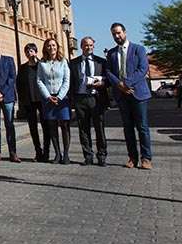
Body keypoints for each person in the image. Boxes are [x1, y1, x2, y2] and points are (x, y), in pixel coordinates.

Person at [105, 23, 153, 170]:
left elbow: (143, 69)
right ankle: (132, 158)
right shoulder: (112, 53)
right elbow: (108, 72)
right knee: (128, 128)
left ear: (125, 32)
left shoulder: (138, 49)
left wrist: (126, 83)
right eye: (114, 34)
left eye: (119, 33)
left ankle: (146, 158)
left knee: (142, 127)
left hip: (138, 94)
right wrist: (119, 85)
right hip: (122, 96)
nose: (117, 36)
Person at [70, 36, 109, 166]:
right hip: (81, 99)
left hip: (96, 98)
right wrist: (72, 102)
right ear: (81, 47)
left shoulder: (101, 62)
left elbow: (109, 80)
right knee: (83, 129)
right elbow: (71, 83)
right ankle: (88, 155)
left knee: (99, 129)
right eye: (86, 45)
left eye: (91, 45)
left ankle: (102, 155)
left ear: (94, 46)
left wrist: (102, 82)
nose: (89, 47)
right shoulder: (73, 63)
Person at [37, 37, 71, 164]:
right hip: (48, 98)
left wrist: (60, 96)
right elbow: (39, 80)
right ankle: (57, 154)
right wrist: (48, 96)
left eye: (54, 45)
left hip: (62, 98)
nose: (51, 48)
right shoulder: (42, 63)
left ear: (57, 47)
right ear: (45, 48)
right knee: (52, 126)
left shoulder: (63, 61)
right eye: (49, 46)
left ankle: (66, 154)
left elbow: (67, 80)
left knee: (64, 126)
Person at [17, 43, 49, 162]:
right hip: (29, 101)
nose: (29, 53)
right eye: (27, 51)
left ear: (36, 52)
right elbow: (19, 84)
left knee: (46, 126)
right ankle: (38, 151)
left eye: (32, 51)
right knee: (33, 128)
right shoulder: (22, 68)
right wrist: (22, 100)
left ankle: (46, 152)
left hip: (42, 100)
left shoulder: (42, 65)